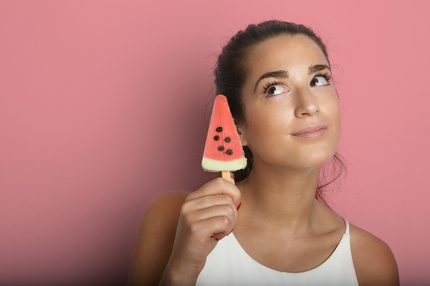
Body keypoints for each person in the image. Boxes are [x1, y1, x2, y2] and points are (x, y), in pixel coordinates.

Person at [127, 20, 399, 286]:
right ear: (237, 127)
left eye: (318, 80)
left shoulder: (370, 263)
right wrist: (181, 270)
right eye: (274, 88)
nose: (309, 105)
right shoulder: (174, 218)